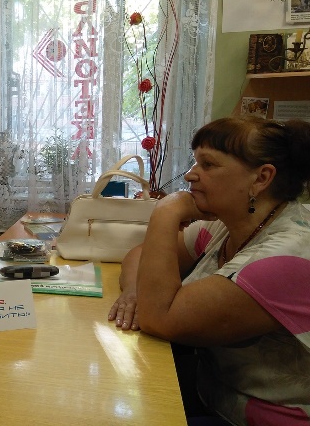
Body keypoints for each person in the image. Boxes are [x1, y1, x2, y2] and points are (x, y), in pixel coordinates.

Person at [108, 116, 310, 425]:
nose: (191, 175)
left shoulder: (285, 257)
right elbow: (141, 255)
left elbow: (159, 318)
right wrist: (136, 291)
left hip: (263, 417)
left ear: (261, 178)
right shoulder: (230, 224)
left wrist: (166, 211)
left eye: (208, 164)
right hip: (212, 391)